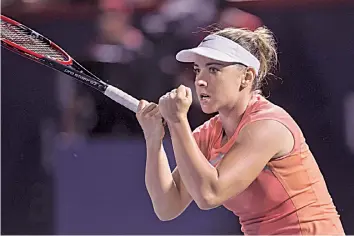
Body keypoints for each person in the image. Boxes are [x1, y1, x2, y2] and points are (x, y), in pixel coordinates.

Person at [136, 26, 345, 235]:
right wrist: (153, 139)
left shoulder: (268, 126)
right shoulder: (210, 133)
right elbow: (167, 206)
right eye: (197, 69)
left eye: (214, 69)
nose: (199, 80)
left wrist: (178, 122)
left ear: (246, 77)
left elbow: (209, 194)